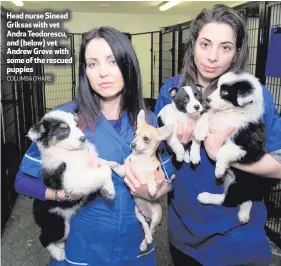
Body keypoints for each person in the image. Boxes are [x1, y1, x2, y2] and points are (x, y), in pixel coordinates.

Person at [125, 4, 281, 266]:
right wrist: (153, 185)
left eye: (226, 47)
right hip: (184, 235)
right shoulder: (172, 90)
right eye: (205, 44)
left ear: (237, 52)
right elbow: (160, 160)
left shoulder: (253, 95)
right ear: (193, 45)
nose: (213, 57)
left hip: (238, 240)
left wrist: (221, 153)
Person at [15, 26, 172, 266]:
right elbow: (22, 180)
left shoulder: (147, 121)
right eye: (92, 64)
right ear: (84, 71)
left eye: (112, 62)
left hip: (133, 247)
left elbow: (170, 173)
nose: (103, 73)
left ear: (128, 65)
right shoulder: (65, 120)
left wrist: (161, 189)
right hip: (82, 247)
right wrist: (65, 194)